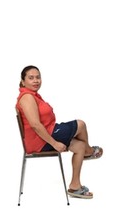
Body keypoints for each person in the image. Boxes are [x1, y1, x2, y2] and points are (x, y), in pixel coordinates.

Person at [16, 65, 103, 199]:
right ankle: (89, 151)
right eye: (31, 78)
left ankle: (75, 186)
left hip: (47, 133)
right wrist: (55, 144)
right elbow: (35, 125)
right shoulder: (27, 97)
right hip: (41, 140)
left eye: (38, 77)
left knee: (79, 146)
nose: (36, 80)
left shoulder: (34, 95)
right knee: (80, 124)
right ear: (23, 81)